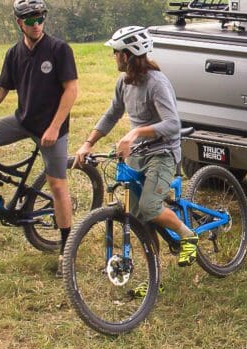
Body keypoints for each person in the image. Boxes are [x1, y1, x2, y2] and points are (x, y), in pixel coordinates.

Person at [0, 0, 79, 273]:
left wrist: (53, 128)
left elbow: (71, 90)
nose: (37, 24)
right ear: (19, 23)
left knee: (58, 186)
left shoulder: (59, 49)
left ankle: (66, 249)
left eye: (40, 18)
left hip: (52, 128)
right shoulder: (14, 53)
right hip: (23, 120)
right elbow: (2, 88)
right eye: (30, 20)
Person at [74, 26, 198, 278]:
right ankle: (155, 280)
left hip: (163, 153)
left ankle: (189, 236)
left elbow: (173, 124)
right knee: (140, 218)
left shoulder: (156, 83)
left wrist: (135, 133)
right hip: (138, 155)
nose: (114, 57)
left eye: (116, 52)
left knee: (150, 207)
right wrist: (89, 143)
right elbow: (112, 114)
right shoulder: (124, 82)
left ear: (128, 55)